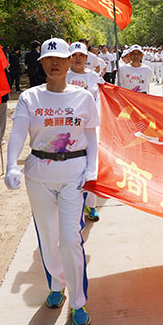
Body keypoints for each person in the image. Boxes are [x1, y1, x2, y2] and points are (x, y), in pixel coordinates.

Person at [5, 37, 98, 325]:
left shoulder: (83, 98)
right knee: (47, 236)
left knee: (70, 239)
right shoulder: (30, 98)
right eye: (49, 59)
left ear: (71, 61)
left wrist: (91, 170)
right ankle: (56, 285)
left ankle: (78, 303)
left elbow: (92, 136)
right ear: (42, 63)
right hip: (39, 176)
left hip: (73, 174)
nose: (55, 63)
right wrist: (10, 165)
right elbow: (19, 132)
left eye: (61, 58)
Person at [66, 41, 105, 222]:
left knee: (91, 165)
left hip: (90, 128)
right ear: (70, 58)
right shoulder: (64, 77)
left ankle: (90, 205)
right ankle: (71, 203)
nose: (78, 59)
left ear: (86, 58)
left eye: (81, 56)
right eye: (75, 56)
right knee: (72, 167)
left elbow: (107, 93)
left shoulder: (93, 76)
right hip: (68, 130)